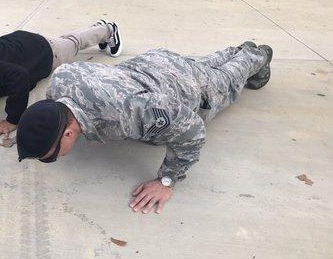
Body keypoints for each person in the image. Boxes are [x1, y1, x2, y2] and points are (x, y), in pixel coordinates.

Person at [16, 42, 273, 214]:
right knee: (203, 66)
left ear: (69, 133)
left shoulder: (127, 113)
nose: (49, 159)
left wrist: (166, 180)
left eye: (49, 156)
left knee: (227, 80)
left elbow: (192, 130)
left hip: (189, 88)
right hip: (155, 64)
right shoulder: (61, 80)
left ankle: (256, 54)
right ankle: (238, 48)